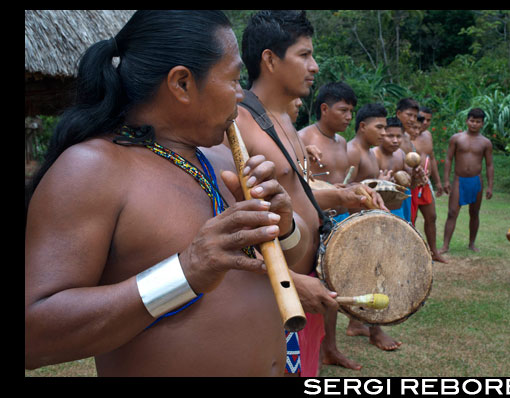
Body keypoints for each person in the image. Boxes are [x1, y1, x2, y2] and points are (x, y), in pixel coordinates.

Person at [25, 10, 305, 376]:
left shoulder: (224, 158)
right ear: (182, 84)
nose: (241, 95)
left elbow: (297, 258)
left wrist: (284, 228)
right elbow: (33, 335)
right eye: (235, 79)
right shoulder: (92, 169)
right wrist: (185, 273)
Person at [236, 10, 382, 376]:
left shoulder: (284, 118)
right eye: (304, 55)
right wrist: (285, 280)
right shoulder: (238, 124)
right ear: (269, 59)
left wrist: (343, 195)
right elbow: (231, 224)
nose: (314, 66)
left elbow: (298, 191)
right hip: (275, 296)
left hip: (306, 285)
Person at [345, 103, 402, 351]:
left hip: (366, 223)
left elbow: (363, 186)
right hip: (352, 226)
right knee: (372, 275)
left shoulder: (369, 151)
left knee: (369, 274)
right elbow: (343, 189)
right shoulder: (353, 152)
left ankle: (356, 323)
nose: (383, 132)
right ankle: (376, 332)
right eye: (379, 127)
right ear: (362, 126)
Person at [298, 81, 358, 220]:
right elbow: (295, 187)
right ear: (324, 109)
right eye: (343, 110)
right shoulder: (302, 138)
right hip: (317, 219)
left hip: (343, 217)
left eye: (351, 111)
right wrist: (329, 191)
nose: (349, 117)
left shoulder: (342, 142)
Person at [441, 108, 494, 253]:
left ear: (482, 124)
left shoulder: (485, 143)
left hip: (476, 180)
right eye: (472, 121)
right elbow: (448, 159)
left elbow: (489, 165)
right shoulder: (457, 138)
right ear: (466, 121)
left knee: (474, 213)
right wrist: (446, 180)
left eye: (478, 122)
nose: (474, 124)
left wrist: (490, 186)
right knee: (452, 212)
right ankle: (445, 245)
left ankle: (471, 243)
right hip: (459, 180)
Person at [410, 108, 447, 263]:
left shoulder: (428, 136)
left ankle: (434, 252)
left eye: (428, 120)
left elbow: (431, 158)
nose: (425, 123)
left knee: (431, 217)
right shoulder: (406, 138)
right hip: (412, 185)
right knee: (410, 219)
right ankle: (409, 253)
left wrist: (437, 181)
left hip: (426, 185)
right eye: (422, 119)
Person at [373, 116, 411, 222]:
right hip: (377, 211)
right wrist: (380, 184)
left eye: (399, 136)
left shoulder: (401, 154)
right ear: (382, 134)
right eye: (390, 136)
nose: (395, 141)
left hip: (399, 210)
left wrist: (417, 175)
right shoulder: (374, 155)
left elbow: (411, 183)